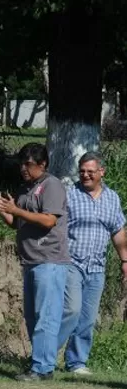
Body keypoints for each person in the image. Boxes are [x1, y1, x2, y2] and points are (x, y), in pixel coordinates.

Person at [0, 143, 69, 381]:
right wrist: (1, 209)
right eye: (21, 163)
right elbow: (16, 223)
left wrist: (17, 211)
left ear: (43, 164)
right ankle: (39, 363)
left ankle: (42, 368)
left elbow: (49, 220)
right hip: (30, 260)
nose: (23, 168)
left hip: (49, 260)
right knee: (32, 316)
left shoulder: (51, 186)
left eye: (28, 164)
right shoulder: (24, 189)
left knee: (46, 316)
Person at [57, 152, 127, 375]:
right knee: (71, 309)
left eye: (90, 172)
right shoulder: (70, 195)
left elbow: (117, 231)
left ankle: (76, 362)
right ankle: (44, 354)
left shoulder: (112, 198)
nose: (85, 175)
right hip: (71, 263)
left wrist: (125, 259)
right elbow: (56, 228)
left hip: (97, 267)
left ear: (101, 172)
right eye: (82, 171)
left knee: (87, 318)